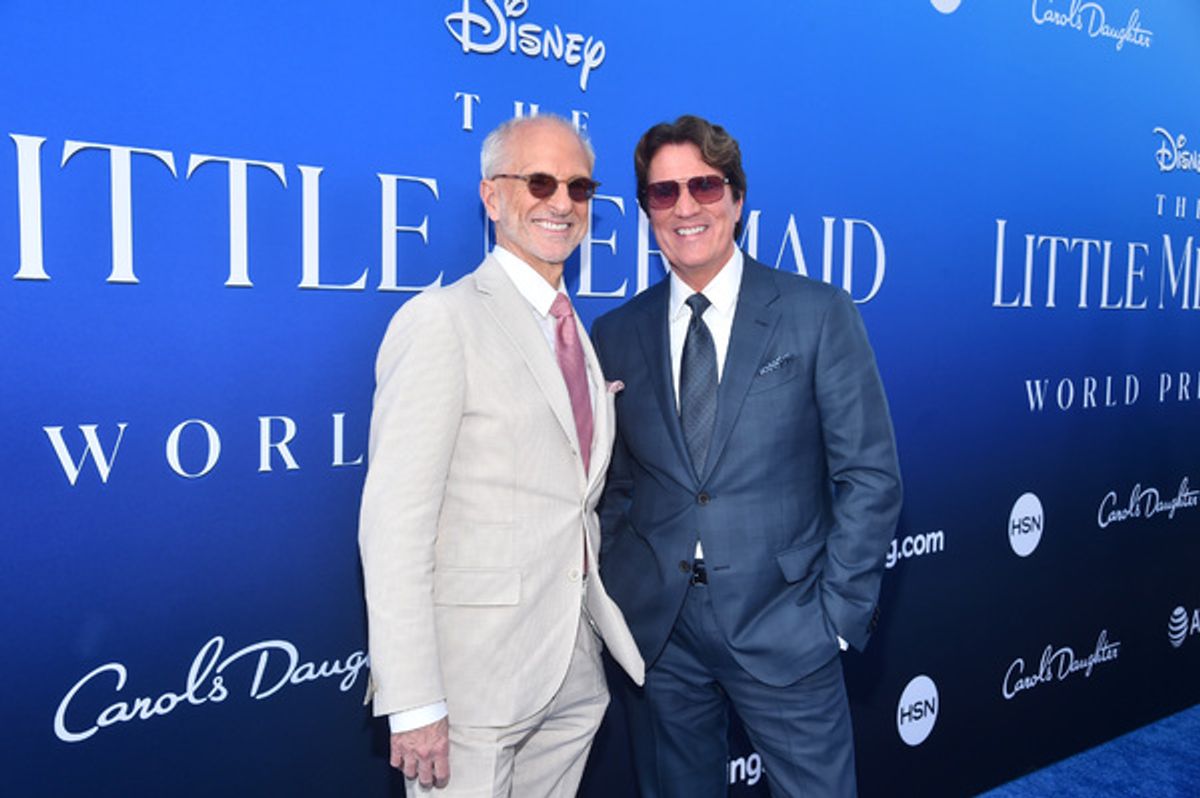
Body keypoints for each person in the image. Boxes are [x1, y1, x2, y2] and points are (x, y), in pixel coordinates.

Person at [591, 114, 902, 797]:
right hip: (662, 636)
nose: (686, 207)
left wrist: (835, 616)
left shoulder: (816, 312)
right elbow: (613, 487)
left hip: (788, 623)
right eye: (663, 193)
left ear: (737, 197)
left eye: (704, 185)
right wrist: (624, 587)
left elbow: (869, 475)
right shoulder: (614, 333)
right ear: (646, 210)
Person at [359, 114, 644, 797]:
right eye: (539, 180)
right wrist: (416, 701)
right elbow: (393, 525)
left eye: (579, 187)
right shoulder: (441, 322)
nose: (561, 202)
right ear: (491, 198)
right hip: (470, 688)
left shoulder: (577, 327)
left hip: (572, 668)